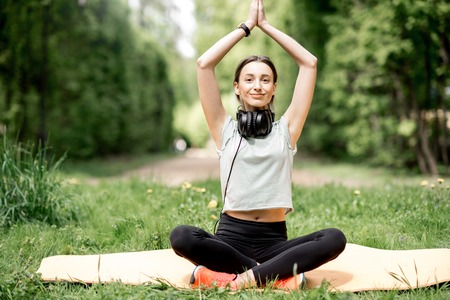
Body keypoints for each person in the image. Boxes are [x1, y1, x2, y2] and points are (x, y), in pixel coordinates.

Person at [169, 0, 346, 290]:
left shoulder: (287, 130)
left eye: (266, 79)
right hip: (230, 240)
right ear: (237, 87)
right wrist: (246, 27)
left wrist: (268, 27)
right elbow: (204, 64)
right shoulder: (223, 129)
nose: (258, 85)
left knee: (334, 238)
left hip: (274, 242)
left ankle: (240, 278)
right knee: (182, 236)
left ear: (274, 88)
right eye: (249, 79)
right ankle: (274, 276)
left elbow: (309, 62)